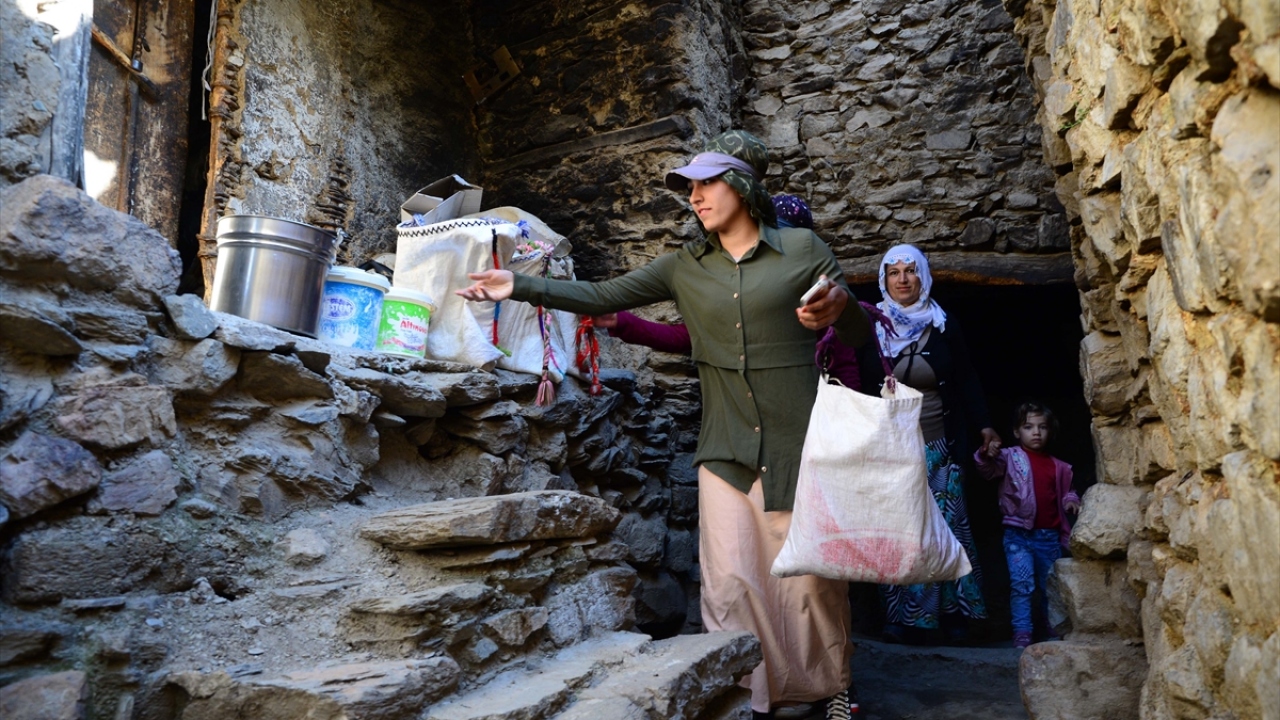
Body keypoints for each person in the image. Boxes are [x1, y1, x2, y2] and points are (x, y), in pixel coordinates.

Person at [458, 130, 871, 720]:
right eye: (691, 189)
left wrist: (839, 309)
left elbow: (858, 334)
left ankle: (829, 686)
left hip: (797, 445)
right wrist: (519, 285)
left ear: (744, 186)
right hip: (724, 445)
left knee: (808, 582)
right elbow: (601, 292)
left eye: (707, 183)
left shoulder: (803, 249)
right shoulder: (684, 267)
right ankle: (745, 694)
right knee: (730, 584)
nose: (696, 197)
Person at [856, 244, 997, 646]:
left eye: (910, 271)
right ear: (883, 280)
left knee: (946, 531)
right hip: (889, 452)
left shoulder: (944, 324)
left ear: (924, 277)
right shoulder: (870, 327)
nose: (903, 279)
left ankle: (952, 616)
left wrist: (985, 425)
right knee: (896, 531)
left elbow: (967, 378)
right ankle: (899, 620)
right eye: (894, 272)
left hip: (940, 446)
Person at [596, 194, 877, 392]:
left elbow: (844, 367)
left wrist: (846, 429)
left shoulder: (819, 301)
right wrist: (622, 323)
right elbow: (689, 337)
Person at [973, 402, 1080, 649]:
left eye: (1042, 427)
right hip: (1017, 536)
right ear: (1016, 432)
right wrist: (985, 453)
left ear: (1050, 432)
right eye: (1028, 426)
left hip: (1049, 537)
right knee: (1022, 586)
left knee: (1050, 586)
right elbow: (987, 469)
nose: (1036, 432)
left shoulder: (1060, 467)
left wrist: (1072, 501)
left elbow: (1067, 492)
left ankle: (1053, 627)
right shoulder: (1009, 458)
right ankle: (1022, 632)